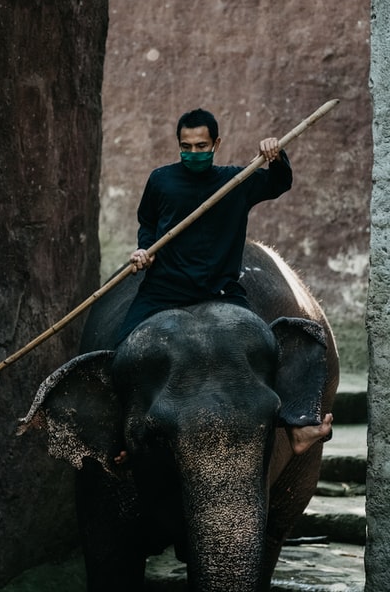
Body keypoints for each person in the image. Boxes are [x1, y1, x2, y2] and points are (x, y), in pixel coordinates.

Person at [114, 108, 332, 463]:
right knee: (121, 350)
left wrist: (275, 156)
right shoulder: (160, 180)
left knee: (267, 349)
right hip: (164, 289)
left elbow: (279, 183)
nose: (194, 153)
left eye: (201, 146)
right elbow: (148, 223)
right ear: (178, 145)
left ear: (217, 143)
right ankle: (120, 437)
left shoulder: (237, 180)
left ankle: (298, 425)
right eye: (186, 146)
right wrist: (143, 250)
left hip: (221, 289)